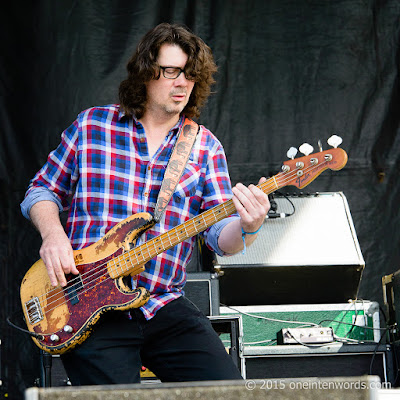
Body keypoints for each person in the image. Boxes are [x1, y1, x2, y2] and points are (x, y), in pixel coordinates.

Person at [21, 23, 270, 385]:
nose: (182, 82)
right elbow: (41, 190)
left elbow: (221, 239)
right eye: (171, 72)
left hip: (162, 304)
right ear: (145, 74)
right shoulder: (92, 126)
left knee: (230, 392)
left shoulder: (204, 147)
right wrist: (53, 236)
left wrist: (249, 225)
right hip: (88, 305)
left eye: (190, 74)